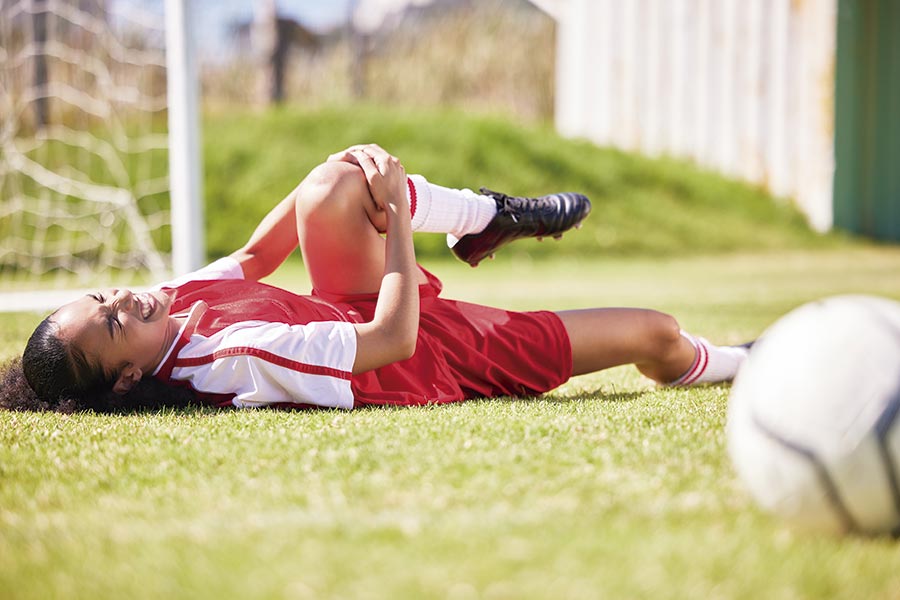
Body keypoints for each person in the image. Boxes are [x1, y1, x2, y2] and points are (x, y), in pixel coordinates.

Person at [0, 144, 748, 413]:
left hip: (350, 306)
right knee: (656, 332)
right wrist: (391, 212)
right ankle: (744, 362)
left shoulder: (172, 303)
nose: (122, 302)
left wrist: (334, 171)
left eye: (102, 299)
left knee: (334, 183)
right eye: (112, 325)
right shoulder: (230, 356)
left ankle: (485, 216)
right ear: (129, 378)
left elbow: (260, 257)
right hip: (425, 354)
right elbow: (388, 341)